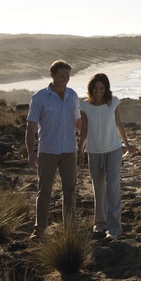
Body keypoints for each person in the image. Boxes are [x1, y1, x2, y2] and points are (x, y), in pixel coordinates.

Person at [78, 72, 139, 240]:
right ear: (91, 89)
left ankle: (114, 229)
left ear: (106, 89)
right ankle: (100, 223)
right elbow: (84, 130)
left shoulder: (113, 102)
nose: (98, 91)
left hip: (113, 149)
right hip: (94, 151)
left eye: (102, 88)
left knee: (112, 187)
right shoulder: (84, 106)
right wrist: (80, 151)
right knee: (98, 188)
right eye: (95, 88)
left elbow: (119, 124)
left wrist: (126, 144)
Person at [25, 59, 81, 240]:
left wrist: (94, 134)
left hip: (69, 150)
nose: (65, 79)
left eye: (68, 76)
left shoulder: (73, 95)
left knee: (70, 190)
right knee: (44, 191)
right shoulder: (39, 97)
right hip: (48, 150)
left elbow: (78, 122)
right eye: (62, 76)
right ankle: (39, 230)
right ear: (52, 76)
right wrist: (31, 153)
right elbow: (31, 127)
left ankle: (70, 229)